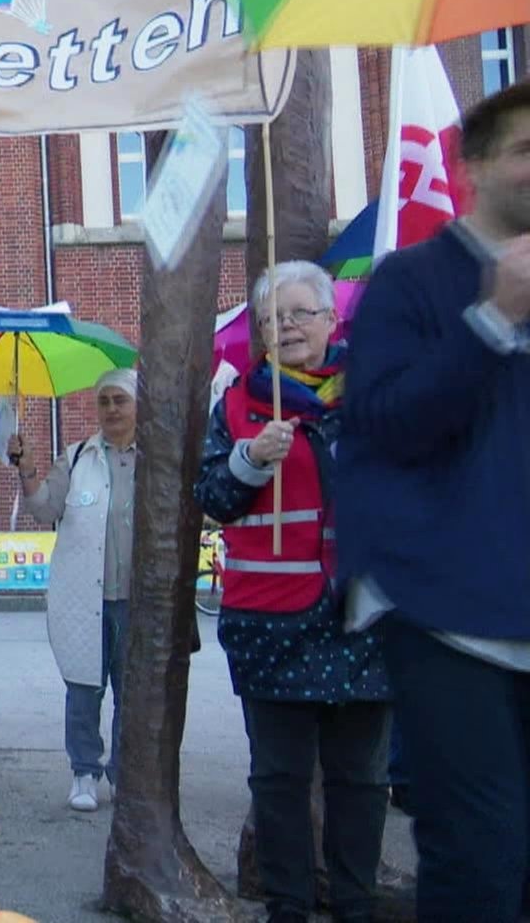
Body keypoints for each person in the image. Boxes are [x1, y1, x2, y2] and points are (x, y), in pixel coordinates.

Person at [337, 81, 530, 921]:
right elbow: (385, 424)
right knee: (481, 859)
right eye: (526, 149)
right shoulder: (410, 282)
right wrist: (492, 320)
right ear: (475, 165)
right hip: (448, 612)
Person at [197, 261, 388, 923]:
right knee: (278, 780)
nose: (285, 327)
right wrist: (250, 459)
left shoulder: (373, 395)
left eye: (300, 313)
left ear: (332, 320)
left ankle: (356, 903)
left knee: (360, 781)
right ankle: (289, 906)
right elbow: (212, 498)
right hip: (270, 624)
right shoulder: (240, 403)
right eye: (272, 318)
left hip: (363, 619)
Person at [12, 368, 140, 812]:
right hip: (86, 599)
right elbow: (44, 507)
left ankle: (126, 775)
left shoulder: (156, 459)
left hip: (138, 601)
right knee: (84, 688)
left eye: (119, 400)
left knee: (133, 692)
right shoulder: (79, 455)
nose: (111, 410)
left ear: (137, 405)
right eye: (103, 401)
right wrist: (28, 469)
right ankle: (84, 771)